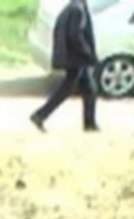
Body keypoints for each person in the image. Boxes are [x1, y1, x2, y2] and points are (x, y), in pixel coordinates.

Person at [31, 0, 99, 132]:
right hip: (76, 58)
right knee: (66, 89)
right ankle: (40, 115)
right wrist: (88, 53)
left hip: (75, 57)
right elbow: (75, 35)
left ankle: (90, 124)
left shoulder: (74, 7)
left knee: (90, 89)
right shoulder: (77, 10)